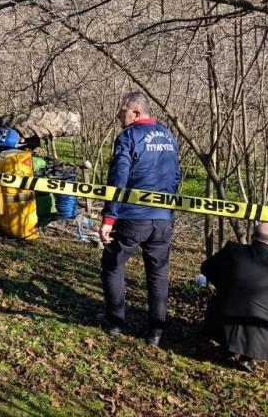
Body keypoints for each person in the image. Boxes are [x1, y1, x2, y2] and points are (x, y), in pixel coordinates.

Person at [98, 91, 181, 347]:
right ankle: (156, 332)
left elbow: (119, 179)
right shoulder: (168, 135)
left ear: (135, 112)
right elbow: (175, 176)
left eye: (122, 110)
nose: (118, 115)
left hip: (133, 217)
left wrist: (109, 218)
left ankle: (115, 322)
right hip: (162, 219)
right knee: (157, 274)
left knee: (113, 264)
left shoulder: (128, 136)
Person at [200, 222, 268, 373]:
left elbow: (206, 268)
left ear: (251, 236)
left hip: (219, 322)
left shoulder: (233, 251)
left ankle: (227, 346)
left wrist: (225, 286)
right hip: (259, 334)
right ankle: (246, 358)